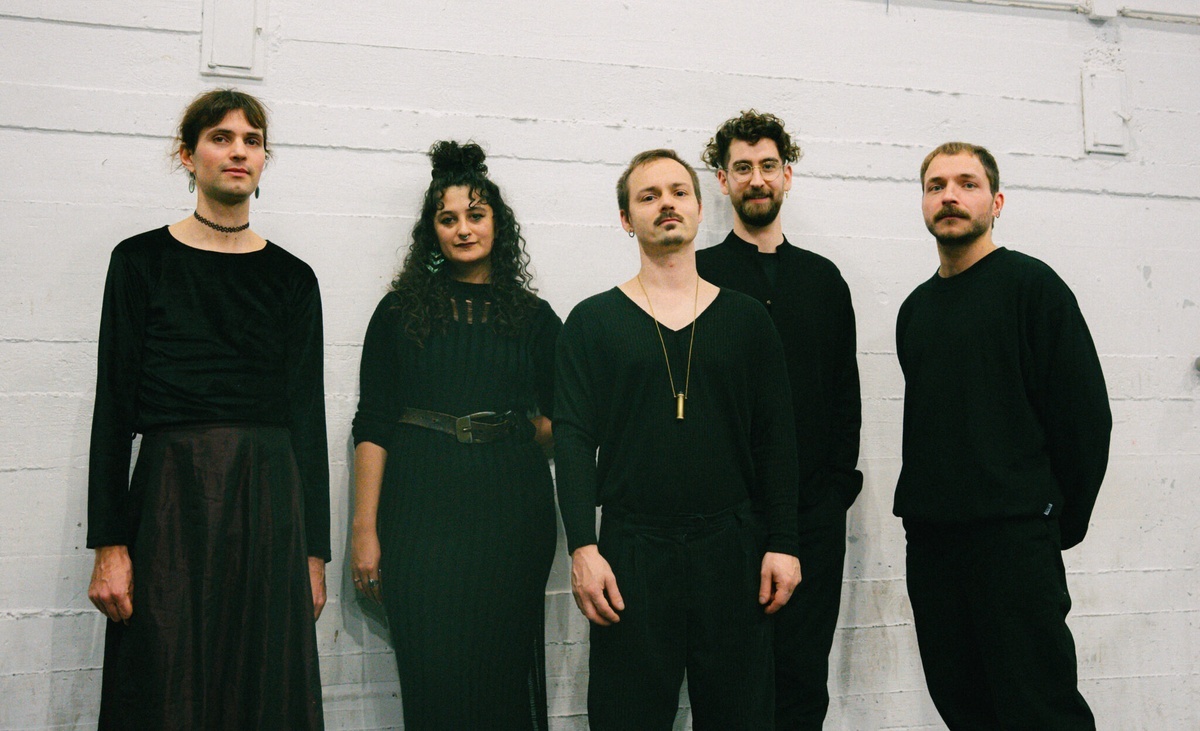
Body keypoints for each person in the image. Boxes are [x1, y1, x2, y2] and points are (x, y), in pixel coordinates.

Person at [86, 88, 329, 730]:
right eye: (221, 137)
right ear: (187, 156)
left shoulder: (293, 278)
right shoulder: (140, 261)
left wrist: (314, 555)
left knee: (259, 687)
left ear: (264, 159)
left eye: (252, 140)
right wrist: (109, 544)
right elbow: (113, 408)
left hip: (268, 500)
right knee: (166, 680)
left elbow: (308, 421)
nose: (238, 151)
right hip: (171, 497)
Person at [554, 148, 802, 730]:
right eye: (648, 196)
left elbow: (776, 439)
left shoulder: (747, 320)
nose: (666, 203)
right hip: (632, 551)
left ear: (698, 208)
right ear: (626, 218)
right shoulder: (591, 322)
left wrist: (784, 541)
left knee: (741, 719)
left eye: (678, 192)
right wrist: (582, 547)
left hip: (733, 549)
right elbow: (572, 439)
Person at [895, 141, 1111, 730]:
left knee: (1040, 709)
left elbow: (1085, 420)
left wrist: (1051, 523)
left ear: (996, 202)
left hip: (1013, 542)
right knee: (963, 707)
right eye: (936, 185)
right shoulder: (915, 310)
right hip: (933, 545)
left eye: (967, 183)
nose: (949, 196)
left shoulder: (1032, 288)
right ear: (923, 202)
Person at [349, 141, 561, 731]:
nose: (463, 229)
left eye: (476, 215)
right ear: (432, 232)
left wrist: (516, 435)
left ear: (498, 224)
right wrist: (364, 529)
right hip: (418, 510)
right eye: (448, 219)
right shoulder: (398, 312)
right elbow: (373, 422)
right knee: (434, 678)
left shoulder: (536, 319)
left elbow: (563, 422)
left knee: (500, 681)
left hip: (511, 516)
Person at [697, 110, 862, 730]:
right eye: (742, 168)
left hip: (813, 516)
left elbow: (845, 401)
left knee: (801, 680)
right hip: (726, 520)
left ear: (787, 175)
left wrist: (832, 494)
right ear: (723, 181)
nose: (757, 179)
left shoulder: (824, 280)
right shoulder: (701, 276)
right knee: (728, 681)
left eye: (768, 165)